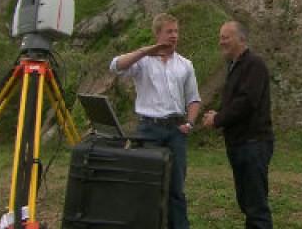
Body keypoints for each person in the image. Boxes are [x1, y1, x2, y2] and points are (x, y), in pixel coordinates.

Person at [109, 13, 201, 229]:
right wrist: (145, 51)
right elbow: (115, 66)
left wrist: (190, 122)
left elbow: (194, 98)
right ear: (157, 33)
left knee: (176, 188)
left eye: (176, 31)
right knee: (148, 184)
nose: (174, 36)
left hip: (176, 130)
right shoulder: (143, 62)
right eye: (169, 31)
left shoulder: (185, 65)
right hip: (149, 130)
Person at [203, 21, 274, 229]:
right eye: (220, 37)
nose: (221, 41)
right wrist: (218, 113)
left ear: (241, 39)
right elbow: (234, 102)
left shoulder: (255, 64)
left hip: (253, 144)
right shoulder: (234, 66)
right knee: (247, 202)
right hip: (240, 143)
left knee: (256, 207)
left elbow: (246, 102)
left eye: (226, 37)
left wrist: (217, 119)